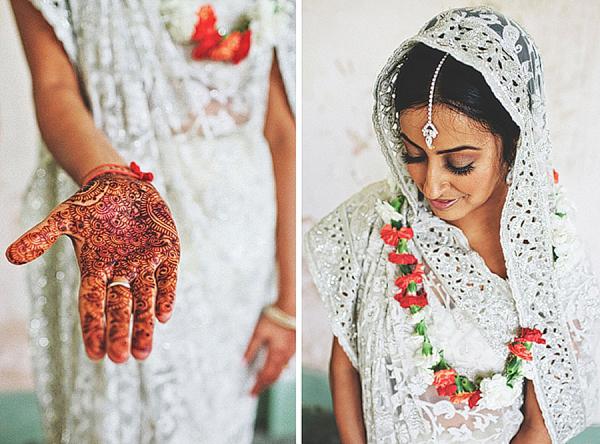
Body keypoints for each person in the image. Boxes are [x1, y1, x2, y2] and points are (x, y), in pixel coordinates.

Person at [305, 6, 600, 444]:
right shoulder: (376, 224)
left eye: (460, 163)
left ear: (515, 142)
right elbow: (347, 362)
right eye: (413, 155)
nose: (431, 184)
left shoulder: (549, 256)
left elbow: (542, 425)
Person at [6, 0, 296, 442]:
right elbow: (53, 84)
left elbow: (279, 130)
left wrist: (288, 306)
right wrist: (108, 177)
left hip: (235, 247)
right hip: (113, 227)